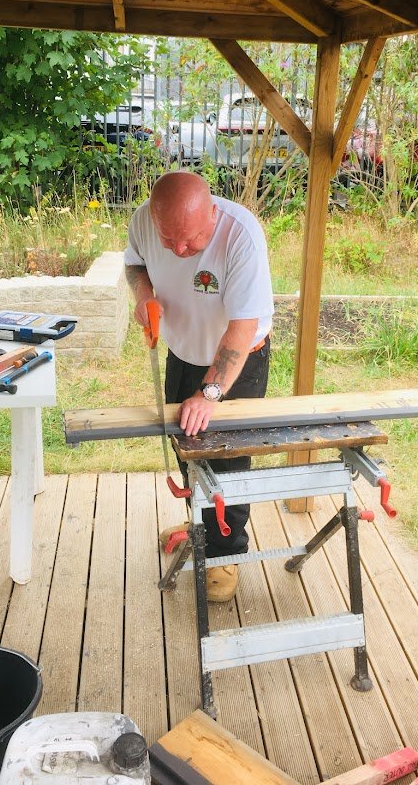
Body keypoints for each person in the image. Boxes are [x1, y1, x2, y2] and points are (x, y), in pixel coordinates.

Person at [124, 170, 274, 602]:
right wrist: (143, 296)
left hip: (236, 362)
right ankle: (199, 524)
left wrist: (209, 394)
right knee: (185, 448)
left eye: (189, 240)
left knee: (228, 460)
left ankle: (226, 554)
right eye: (168, 240)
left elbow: (243, 328)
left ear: (212, 212)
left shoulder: (241, 235)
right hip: (183, 352)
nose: (179, 250)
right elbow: (135, 262)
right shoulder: (144, 222)